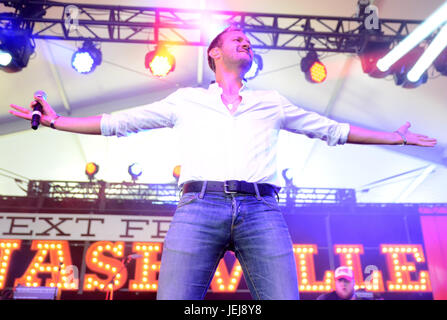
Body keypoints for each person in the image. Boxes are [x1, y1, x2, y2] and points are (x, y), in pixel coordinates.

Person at [9, 26, 437, 300]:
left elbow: (333, 130)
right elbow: (119, 122)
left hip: (261, 211)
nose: (246, 42)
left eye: (249, 41)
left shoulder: (271, 102)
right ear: (214, 54)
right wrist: (57, 121)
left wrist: (394, 135)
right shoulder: (187, 100)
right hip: (198, 207)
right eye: (236, 39)